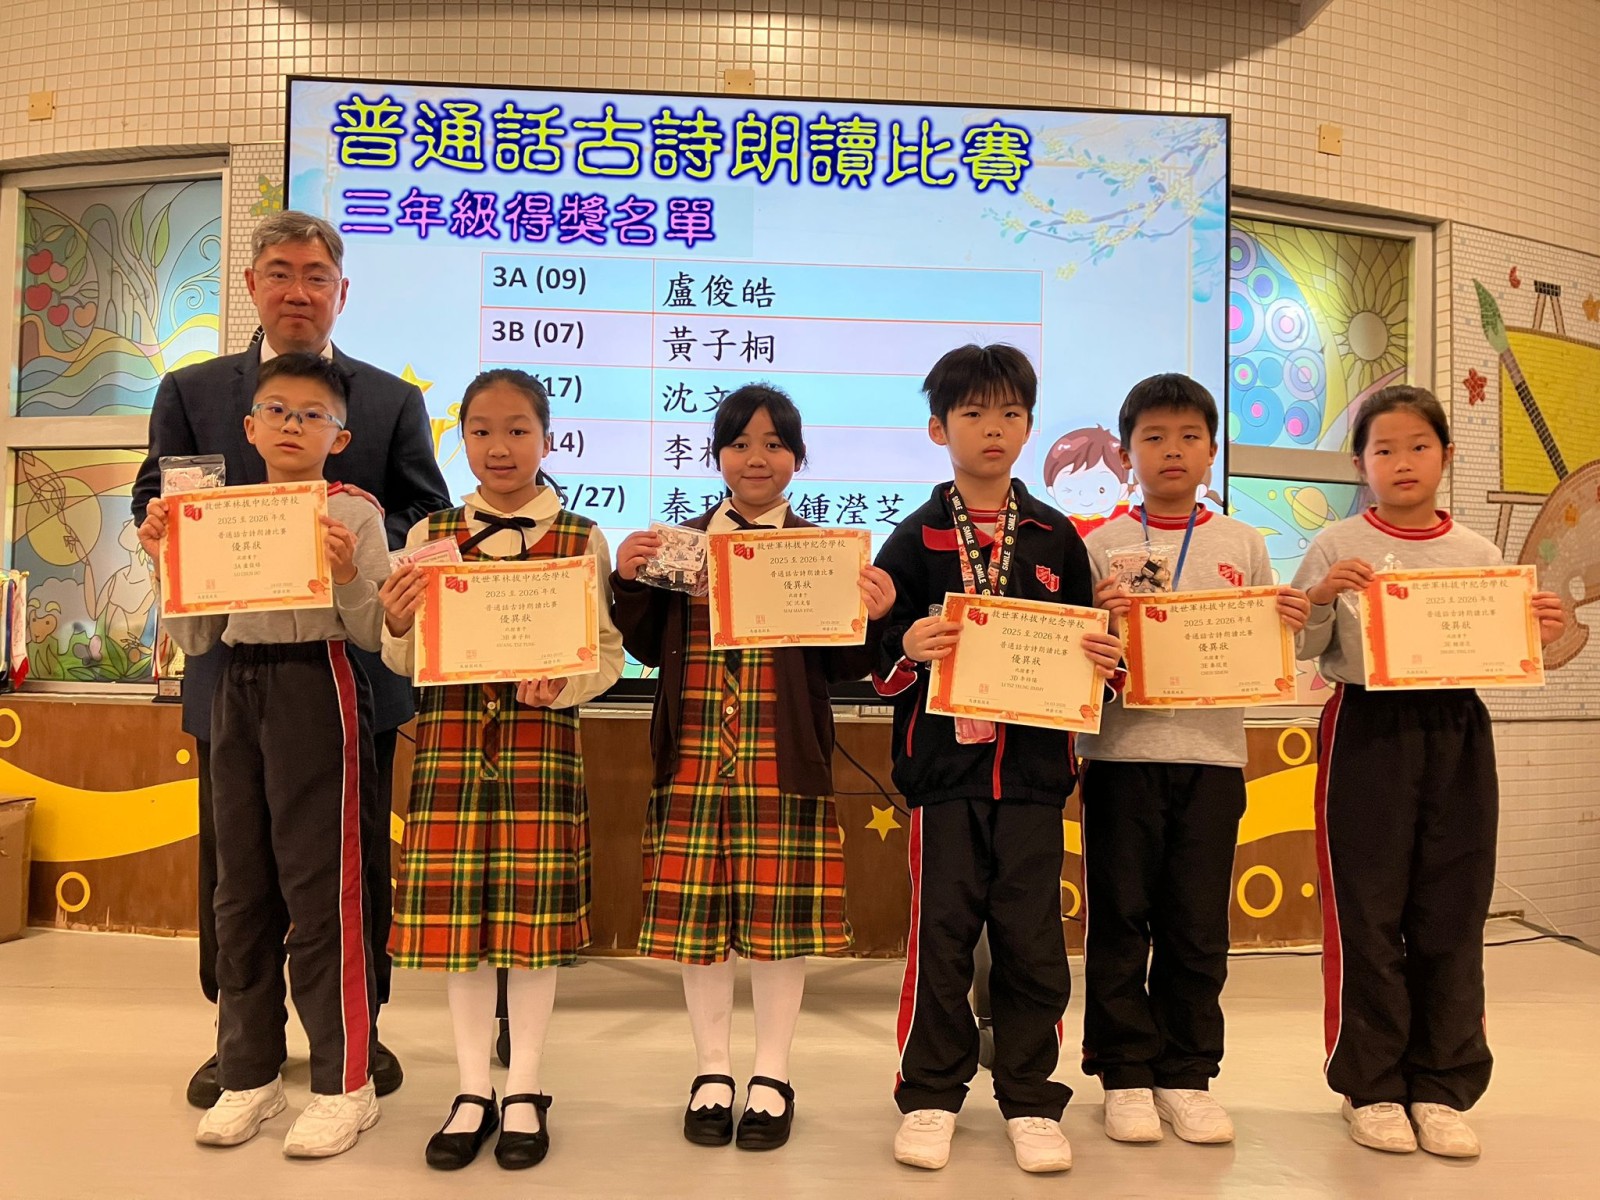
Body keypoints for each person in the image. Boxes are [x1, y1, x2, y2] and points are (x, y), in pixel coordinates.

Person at [132, 211, 449, 1107]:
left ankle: (356, 1031)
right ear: (251, 286)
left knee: (346, 865)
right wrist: (167, 528)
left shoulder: (387, 399)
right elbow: (157, 496)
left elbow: (423, 514)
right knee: (236, 869)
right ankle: (243, 1040)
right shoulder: (192, 389)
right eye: (279, 272)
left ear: (342, 291)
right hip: (228, 663)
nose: (297, 290)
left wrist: (339, 538)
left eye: (316, 275)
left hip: (347, 666)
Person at [610, 384, 896, 1153]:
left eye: (773, 444)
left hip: (783, 762)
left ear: (798, 457)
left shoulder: (822, 552)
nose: (756, 457)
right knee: (697, 926)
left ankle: (772, 1074)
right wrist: (627, 580)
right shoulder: (682, 546)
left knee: (779, 927)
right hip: (693, 762)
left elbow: (846, 664)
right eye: (739, 443)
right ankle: (712, 1070)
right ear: (718, 455)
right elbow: (645, 646)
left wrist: (875, 617)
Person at [1291, 385, 1565, 1158]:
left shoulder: (1477, 553)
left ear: (1446, 455)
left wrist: (1536, 630)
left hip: (1456, 729)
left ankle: (1443, 1085)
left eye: (1418, 446)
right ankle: (1372, 1086)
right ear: (1361, 465)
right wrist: (1319, 598)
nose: (1403, 462)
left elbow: (1500, 653)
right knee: (1367, 911)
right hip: (1367, 726)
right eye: (1384, 449)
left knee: (1453, 907)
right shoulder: (1337, 544)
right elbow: (1303, 646)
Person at [871, 344, 1121, 1174]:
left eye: (1010, 413)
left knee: (1032, 938)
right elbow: (878, 655)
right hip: (944, 777)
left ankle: (1030, 1096)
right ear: (938, 427)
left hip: (1035, 778)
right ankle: (930, 1093)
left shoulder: (1056, 535)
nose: (993, 428)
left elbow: (1094, 655)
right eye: (973, 413)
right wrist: (906, 643)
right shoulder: (914, 538)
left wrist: (1104, 659)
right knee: (941, 939)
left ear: (1028, 426)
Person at [138, 352, 389, 1157]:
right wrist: (169, 562)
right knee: (239, 888)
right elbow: (196, 638)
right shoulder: (218, 513)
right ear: (248, 427)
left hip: (319, 683)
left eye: (313, 414)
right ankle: (249, 1072)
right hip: (236, 686)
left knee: (323, 891)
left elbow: (375, 633)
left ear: (339, 437)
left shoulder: (354, 513)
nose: (291, 425)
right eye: (277, 410)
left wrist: (347, 577)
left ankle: (345, 1084)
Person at [380, 369, 623, 1170]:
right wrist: (396, 624)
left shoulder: (581, 538)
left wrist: (565, 685)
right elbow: (406, 658)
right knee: (463, 935)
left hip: (539, 756)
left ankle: (524, 1088)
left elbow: (608, 655)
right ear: (463, 441)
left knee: (531, 932)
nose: (500, 446)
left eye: (518, 429)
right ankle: (470, 1089)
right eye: (481, 430)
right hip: (451, 751)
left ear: (547, 439)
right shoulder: (431, 535)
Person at [1076, 374, 1310, 1146]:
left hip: (1213, 760)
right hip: (1120, 758)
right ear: (1127, 454)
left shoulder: (1244, 543)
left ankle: (1185, 1074)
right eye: (1153, 437)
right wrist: (1093, 625)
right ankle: (1123, 1073)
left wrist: (1288, 619)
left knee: (1197, 924)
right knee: (1120, 919)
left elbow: (1274, 648)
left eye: (1187, 437)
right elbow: (1074, 662)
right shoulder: (1098, 546)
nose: (1171, 451)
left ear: (1212, 451)